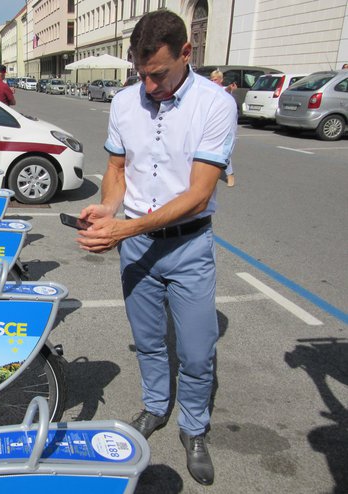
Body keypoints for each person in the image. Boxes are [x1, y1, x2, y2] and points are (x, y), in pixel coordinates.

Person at [76, 10, 237, 486]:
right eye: (141, 74)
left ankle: (194, 427)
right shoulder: (125, 102)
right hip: (137, 248)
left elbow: (199, 195)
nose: (148, 86)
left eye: (159, 75)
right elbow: (118, 170)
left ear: (187, 54)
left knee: (196, 348)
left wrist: (124, 230)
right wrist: (109, 208)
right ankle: (155, 407)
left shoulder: (215, 104)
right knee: (148, 341)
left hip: (188, 248)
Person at [209, 69, 236, 187]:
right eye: (211, 79)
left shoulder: (223, 90)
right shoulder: (209, 90)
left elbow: (226, 89)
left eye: (215, 79)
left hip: (225, 124)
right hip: (212, 123)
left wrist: (230, 88)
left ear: (221, 80)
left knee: (224, 149)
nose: (213, 81)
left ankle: (230, 175)